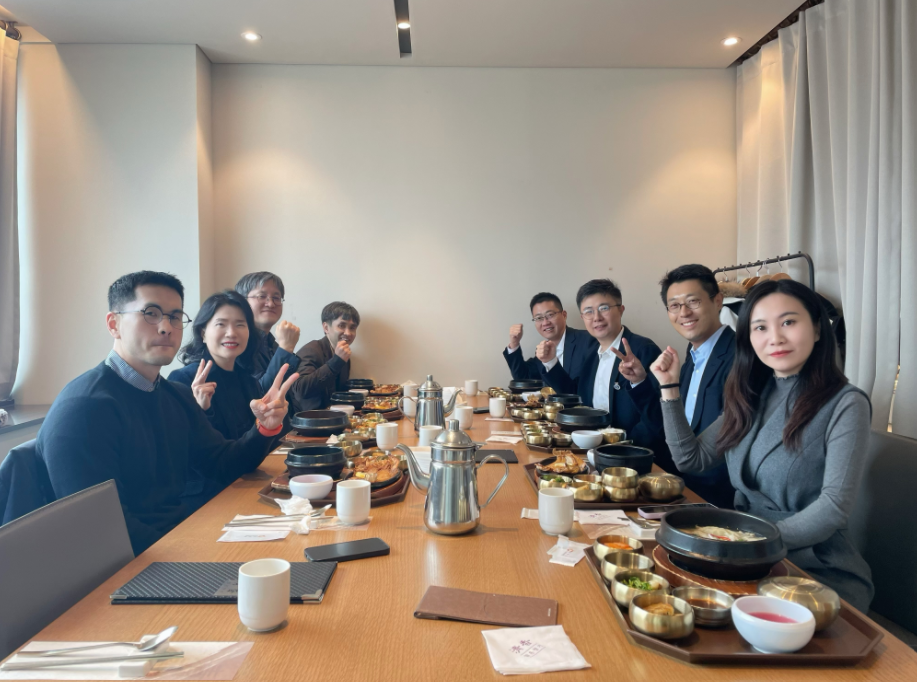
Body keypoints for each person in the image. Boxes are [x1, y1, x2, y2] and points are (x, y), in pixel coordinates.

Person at [37, 271, 297, 556]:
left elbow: (223, 464)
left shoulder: (175, 395)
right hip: (137, 563)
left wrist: (264, 428)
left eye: (174, 317)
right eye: (150, 313)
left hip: (180, 538)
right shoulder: (85, 408)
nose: (166, 327)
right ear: (114, 324)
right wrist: (192, 554)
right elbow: (101, 530)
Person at [651, 279, 874, 611]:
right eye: (760, 327)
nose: (775, 337)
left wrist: (747, 542)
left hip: (810, 569)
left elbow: (833, 507)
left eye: (788, 322)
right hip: (743, 557)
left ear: (817, 329)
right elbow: (691, 459)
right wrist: (669, 388)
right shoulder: (751, 393)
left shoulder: (846, 403)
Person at [629, 265, 736, 508]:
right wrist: (642, 380)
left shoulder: (740, 357)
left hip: (718, 501)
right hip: (683, 488)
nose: (684, 313)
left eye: (693, 301)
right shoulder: (692, 356)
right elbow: (673, 426)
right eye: (674, 306)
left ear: (718, 301)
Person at [535, 279, 667, 460]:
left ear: (621, 310)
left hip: (634, 455)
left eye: (604, 308)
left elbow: (660, 414)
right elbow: (576, 397)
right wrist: (551, 362)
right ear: (582, 317)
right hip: (594, 450)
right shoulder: (591, 354)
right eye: (588, 311)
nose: (596, 317)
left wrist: (627, 448)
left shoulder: (643, 350)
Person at [169, 290, 282, 442]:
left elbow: (254, 445)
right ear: (203, 334)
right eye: (221, 324)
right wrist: (201, 411)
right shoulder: (183, 379)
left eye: (240, 324)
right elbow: (180, 445)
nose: (231, 333)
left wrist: (273, 419)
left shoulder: (249, 381)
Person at [503, 292, 597, 382]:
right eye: (539, 318)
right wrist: (514, 343)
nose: (545, 322)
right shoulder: (543, 350)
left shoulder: (588, 340)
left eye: (550, 315)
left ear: (564, 315)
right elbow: (523, 378)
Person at [235, 271, 301, 393]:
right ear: (242, 302)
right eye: (261, 296)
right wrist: (285, 349)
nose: (270, 304)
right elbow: (260, 395)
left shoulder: (271, 344)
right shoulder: (237, 343)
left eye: (276, 298)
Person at [291, 301, 359, 411]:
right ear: (326, 327)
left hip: (334, 416)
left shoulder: (344, 355)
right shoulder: (311, 350)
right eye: (342, 326)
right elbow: (300, 390)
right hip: (310, 418)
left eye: (352, 327)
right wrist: (336, 362)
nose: (348, 333)